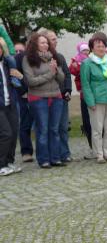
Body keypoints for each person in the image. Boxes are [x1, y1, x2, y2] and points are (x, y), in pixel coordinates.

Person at [21, 32, 65, 168]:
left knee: (55, 129)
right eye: (42, 42)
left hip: (56, 97)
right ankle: (44, 159)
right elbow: (31, 81)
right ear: (35, 44)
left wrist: (56, 71)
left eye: (47, 42)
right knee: (43, 130)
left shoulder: (53, 57)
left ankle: (55, 158)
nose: (46, 45)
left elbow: (61, 79)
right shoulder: (28, 59)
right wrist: (50, 74)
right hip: (38, 98)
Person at [81, 33, 107, 163]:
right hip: (96, 101)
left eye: (103, 46)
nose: (101, 48)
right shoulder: (87, 63)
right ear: (92, 48)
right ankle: (99, 154)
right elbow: (85, 84)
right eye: (98, 46)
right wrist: (90, 101)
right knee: (97, 129)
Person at [42, 30, 73, 163]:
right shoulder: (38, 58)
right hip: (45, 97)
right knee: (49, 128)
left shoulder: (59, 57)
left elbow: (67, 74)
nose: (56, 41)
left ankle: (64, 153)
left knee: (63, 127)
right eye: (52, 39)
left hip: (61, 96)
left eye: (56, 38)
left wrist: (68, 90)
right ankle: (51, 155)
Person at [69, 42, 95, 159]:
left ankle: (100, 147)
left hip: (95, 94)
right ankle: (92, 147)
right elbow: (72, 70)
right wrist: (77, 67)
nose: (86, 52)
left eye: (87, 50)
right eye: (84, 50)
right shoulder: (76, 60)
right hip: (84, 94)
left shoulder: (93, 59)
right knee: (87, 122)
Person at [0, 53, 22, 175]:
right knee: (6, 133)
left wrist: (19, 77)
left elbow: (19, 82)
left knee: (13, 133)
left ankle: (9, 161)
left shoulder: (7, 64)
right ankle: (1, 164)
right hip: (0, 106)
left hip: (11, 104)